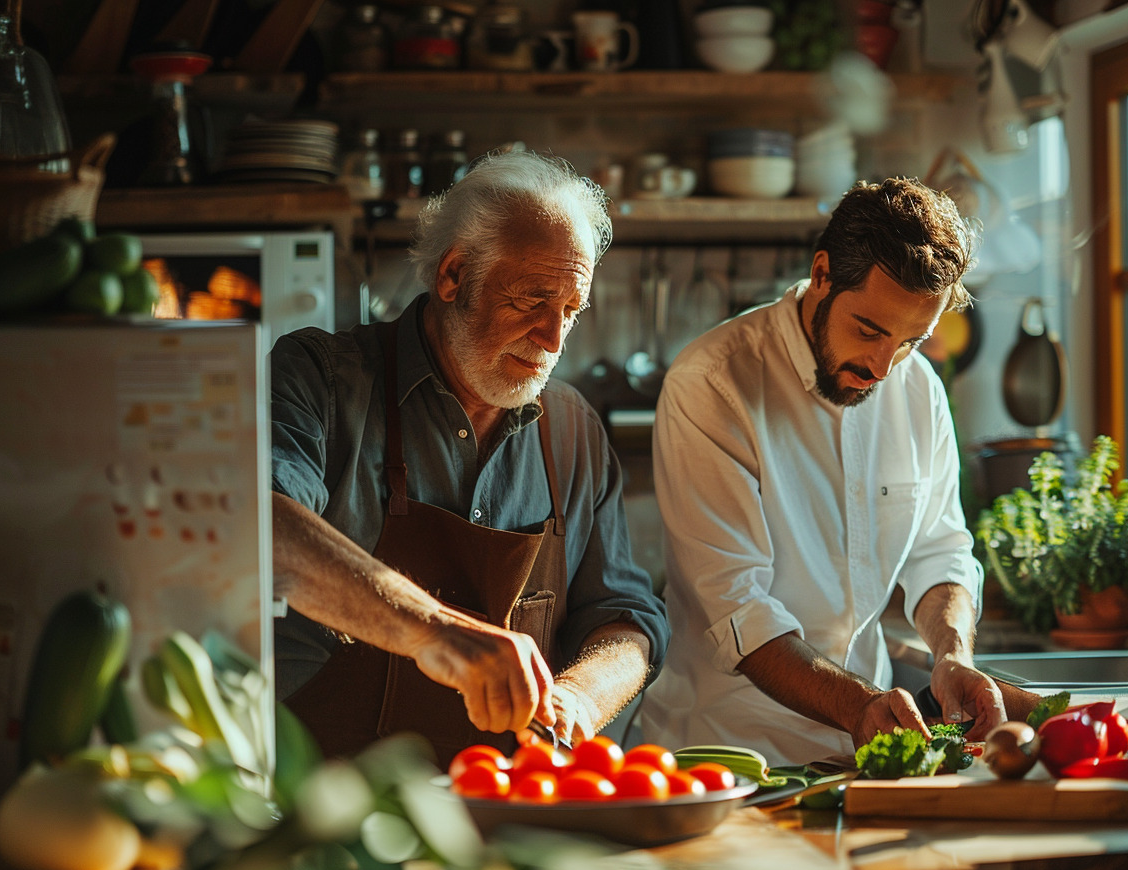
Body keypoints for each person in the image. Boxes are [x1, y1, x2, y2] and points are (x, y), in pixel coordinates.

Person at [269, 150, 669, 763]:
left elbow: (626, 617)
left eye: (570, 310)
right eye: (533, 300)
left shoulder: (573, 431)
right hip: (323, 810)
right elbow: (264, 530)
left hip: (509, 808)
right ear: (453, 275)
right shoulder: (321, 380)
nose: (553, 339)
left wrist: (581, 700)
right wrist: (439, 633)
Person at [640, 177, 1009, 767]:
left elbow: (938, 553)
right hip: (727, 753)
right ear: (821, 274)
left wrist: (952, 654)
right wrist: (858, 705)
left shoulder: (920, 391)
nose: (884, 368)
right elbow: (738, 606)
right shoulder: (712, 382)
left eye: (912, 341)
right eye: (869, 331)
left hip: (868, 749)